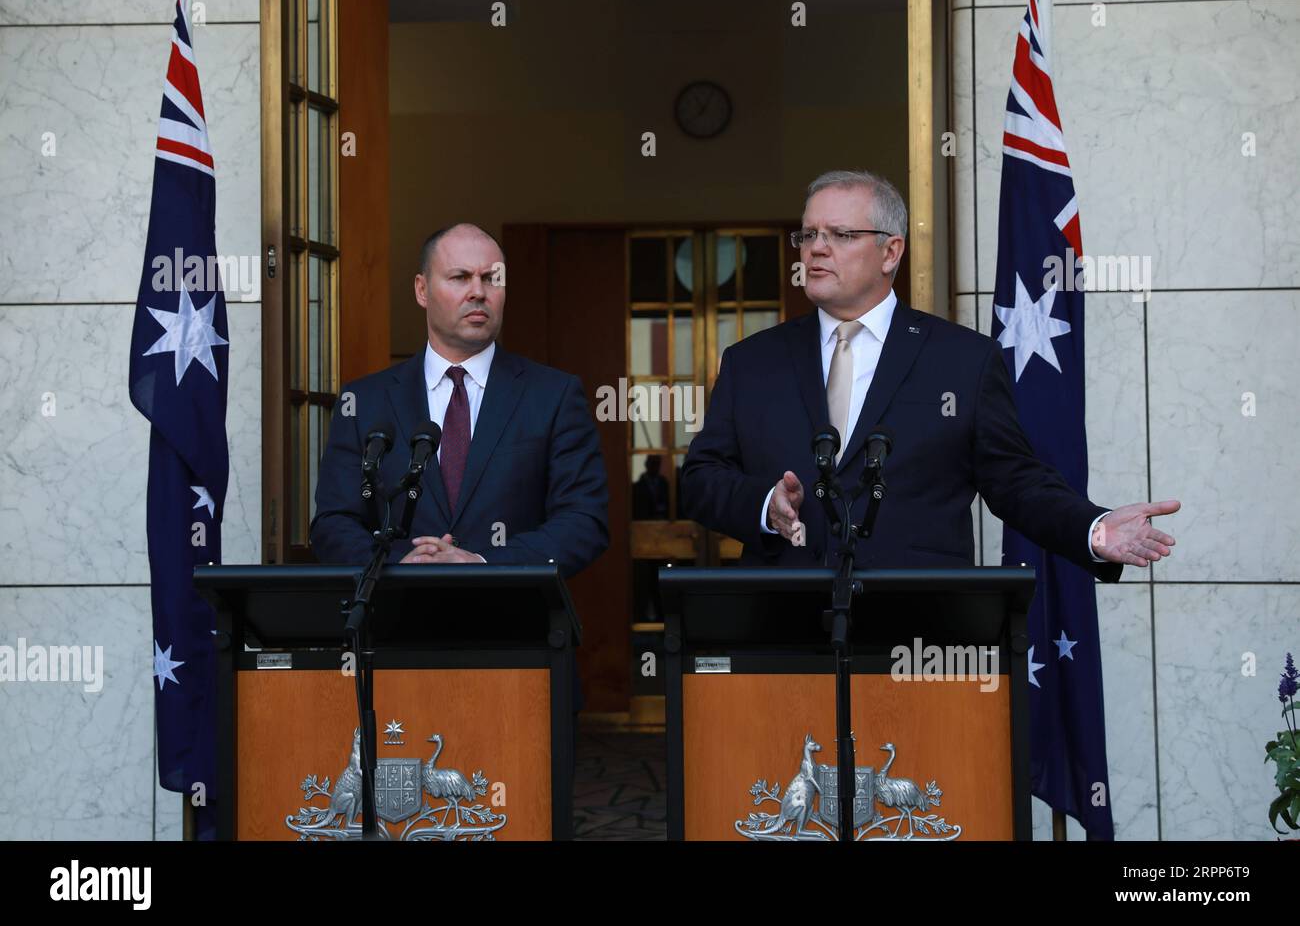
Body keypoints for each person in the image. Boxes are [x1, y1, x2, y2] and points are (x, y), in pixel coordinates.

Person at [680, 170, 1178, 577]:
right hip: (780, 633)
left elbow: (1015, 481)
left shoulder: (963, 361)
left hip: (917, 638)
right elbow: (701, 480)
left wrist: (1092, 528)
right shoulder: (753, 361)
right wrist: (764, 503)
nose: (816, 248)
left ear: (891, 252)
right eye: (808, 234)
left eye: (841, 235)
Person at [310, 223, 609, 576]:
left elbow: (584, 521)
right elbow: (333, 522)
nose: (478, 292)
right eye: (460, 277)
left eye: (492, 278)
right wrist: (398, 567)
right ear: (422, 290)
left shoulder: (554, 395)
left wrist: (482, 563)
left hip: (515, 622)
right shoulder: (363, 401)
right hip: (397, 620)